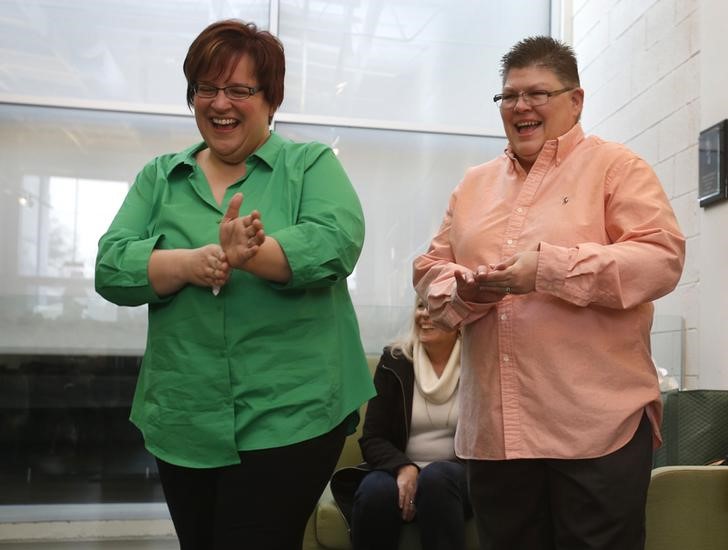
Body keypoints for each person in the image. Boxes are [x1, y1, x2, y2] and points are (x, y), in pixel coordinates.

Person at [95, 19, 374, 550]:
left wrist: (252, 254)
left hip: (291, 412)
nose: (220, 103)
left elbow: (335, 243)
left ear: (270, 99)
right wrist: (188, 264)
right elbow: (110, 267)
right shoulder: (161, 176)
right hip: (184, 413)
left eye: (240, 90)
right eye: (206, 88)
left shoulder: (309, 164)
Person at [413, 36, 685, 550]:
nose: (521, 107)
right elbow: (429, 269)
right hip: (496, 435)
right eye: (509, 96)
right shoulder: (472, 185)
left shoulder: (617, 168)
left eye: (537, 93)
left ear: (575, 100)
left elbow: (661, 260)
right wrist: (466, 290)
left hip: (594, 429)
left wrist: (549, 269)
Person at [331, 299, 472, 550]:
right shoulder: (394, 361)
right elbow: (373, 437)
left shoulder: (478, 364)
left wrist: (426, 476)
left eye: (436, 308)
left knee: (436, 479)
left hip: (455, 476)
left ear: (459, 318)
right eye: (421, 306)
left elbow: (487, 438)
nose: (425, 315)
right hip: (394, 469)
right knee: (375, 491)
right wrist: (404, 468)